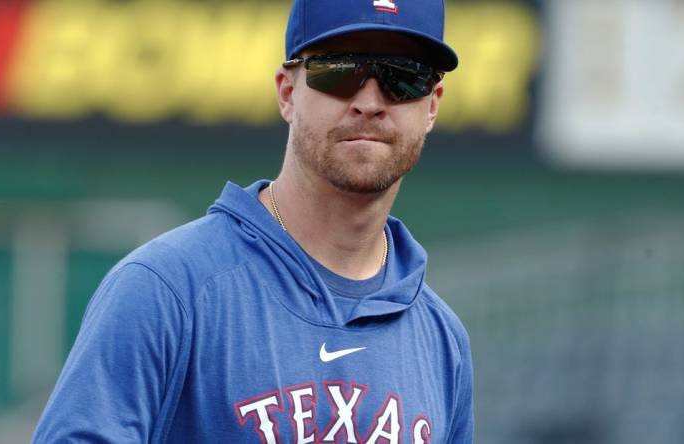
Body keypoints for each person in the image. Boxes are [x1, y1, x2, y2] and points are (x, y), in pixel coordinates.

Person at [32, 0, 473, 442]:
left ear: (432, 105)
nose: (370, 102)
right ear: (287, 93)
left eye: (404, 77)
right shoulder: (165, 289)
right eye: (339, 70)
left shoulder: (442, 339)